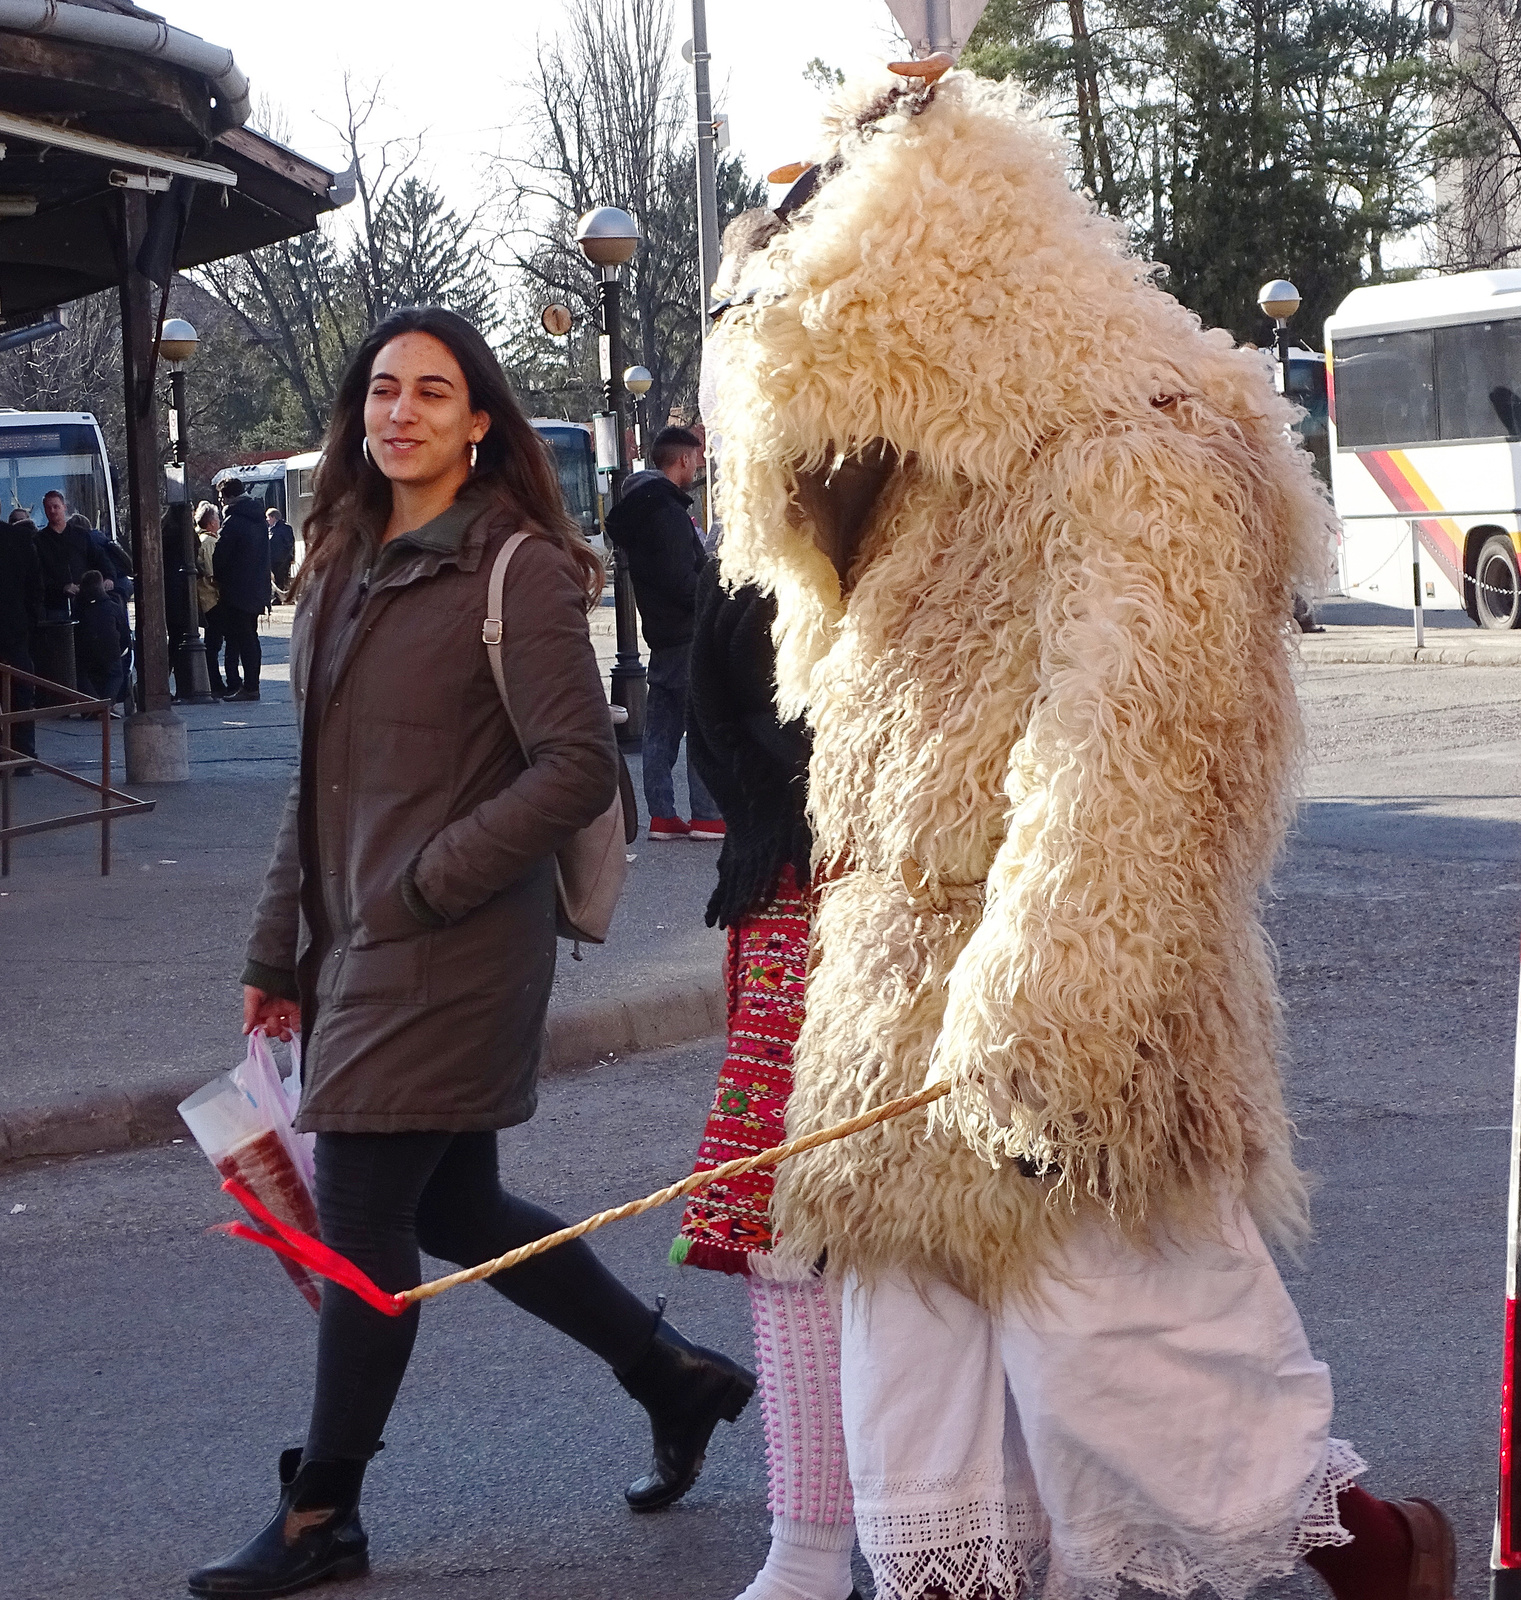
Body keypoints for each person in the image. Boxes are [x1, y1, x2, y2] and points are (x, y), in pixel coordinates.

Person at [712, 66, 1455, 1600]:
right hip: (891, 1035)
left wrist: (1036, 1028)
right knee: (932, 1451)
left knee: (1145, 1399)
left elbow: (1139, 756)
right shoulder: (920, 461)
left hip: (1073, 1019)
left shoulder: (1134, 437)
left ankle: (1379, 1559)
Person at [189, 305, 755, 1600]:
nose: (401, 413)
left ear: (478, 419)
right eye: (383, 391)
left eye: (432, 393)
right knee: (456, 1208)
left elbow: (573, 767)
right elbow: (314, 786)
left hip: (451, 947)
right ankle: (672, 1375)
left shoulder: (516, 568)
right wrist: (275, 946)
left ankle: (321, 1509)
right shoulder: (338, 564)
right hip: (356, 943)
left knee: (362, 1219)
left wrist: (434, 879)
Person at [672, 559, 859, 1600]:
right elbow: (725, 701)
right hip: (793, 893)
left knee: (968, 1255)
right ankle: (811, 1545)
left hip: (934, 898)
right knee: (790, 1236)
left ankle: (1015, 1546)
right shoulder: (757, 544)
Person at [605, 425, 724, 843]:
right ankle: (708, 816)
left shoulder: (641, 510)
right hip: (688, 633)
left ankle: (662, 815)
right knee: (703, 724)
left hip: (660, 633)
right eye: (696, 457)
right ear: (684, 459)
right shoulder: (668, 513)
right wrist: (712, 585)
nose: (698, 464)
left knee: (663, 726)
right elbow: (682, 580)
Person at [211, 478, 271, 702]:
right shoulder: (258, 519)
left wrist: (219, 578)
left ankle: (249, 687)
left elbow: (221, 556)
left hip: (237, 590)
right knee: (250, 637)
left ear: (226, 497)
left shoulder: (233, 520)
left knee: (241, 638)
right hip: (257, 587)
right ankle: (251, 684)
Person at [0, 511, 42, 772]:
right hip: (14, 629)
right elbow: (35, 589)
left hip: (15, 626)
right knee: (20, 693)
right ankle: (23, 755)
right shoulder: (19, 540)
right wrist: (29, 623)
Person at [195, 502, 238, 697]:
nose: (219, 522)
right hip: (212, 598)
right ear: (211, 523)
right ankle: (216, 682)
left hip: (206, 598)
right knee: (215, 643)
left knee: (213, 642)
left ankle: (216, 681)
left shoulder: (201, 539)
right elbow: (213, 574)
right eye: (217, 519)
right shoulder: (210, 543)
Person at [74, 569, 130, 707]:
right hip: (110, 649)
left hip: (85, 650)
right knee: (116, 675)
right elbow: (124, 633)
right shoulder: (113, 607)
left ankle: (92, 703)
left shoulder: (79, 609)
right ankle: (106, 705)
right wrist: (122, 647)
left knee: (82, 675)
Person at [35, 490, 91, 620]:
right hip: (55, 606)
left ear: (64, 507)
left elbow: (97, 559)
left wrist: (107, 577)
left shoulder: (81, 535)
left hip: (84, 601)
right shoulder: (38, 540)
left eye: (56, 507)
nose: (52, 511)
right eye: (48, 508)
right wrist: (62, 588)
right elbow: (37, 574)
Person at [267, 505, 297, 598]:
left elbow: (289, 544)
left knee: (280, 578)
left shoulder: (284, 528)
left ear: (273, 517)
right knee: (274, 578)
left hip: (282, 559)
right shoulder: (271, 529)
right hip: (273, 558)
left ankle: (278, 597)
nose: (267, 520)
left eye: (268, 517)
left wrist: (290, 557)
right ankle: (275, 596)